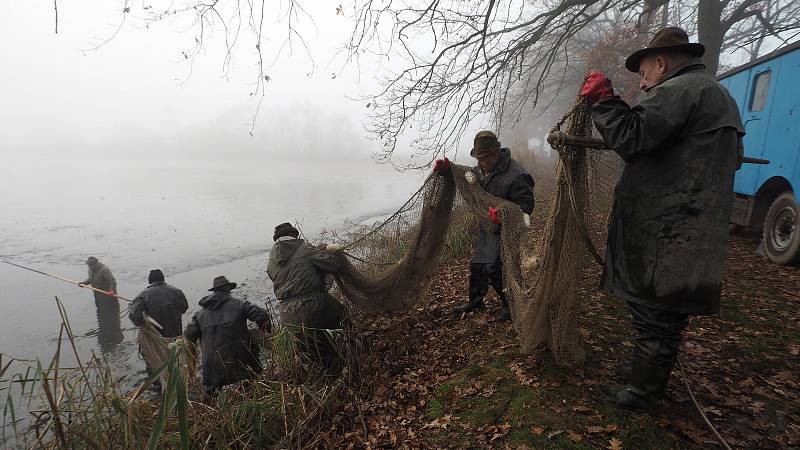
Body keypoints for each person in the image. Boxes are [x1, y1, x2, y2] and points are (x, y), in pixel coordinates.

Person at [580, 27, 745, 409]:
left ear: (661, 61)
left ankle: (642, 393)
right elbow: (731, 158)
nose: (643, 82)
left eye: (643, 73)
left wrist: (605, 100)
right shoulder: (719, 96)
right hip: (694, 225)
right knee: (662, 311)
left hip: (670, 226)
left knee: (657, 312)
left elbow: (632, 138)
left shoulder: (681, 90)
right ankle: (646, 373)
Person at [433, 131, 535, 321]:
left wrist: (504, 214)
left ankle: (510, 304)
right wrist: (448, 169)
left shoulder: (517, 175)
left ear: (495, 155)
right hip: (487, 226)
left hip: (506, 230)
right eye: (477, 158)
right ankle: (476, 300)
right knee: (477, 266)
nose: (478, 163)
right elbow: (467, 176)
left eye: (482, 158)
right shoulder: (482, 169)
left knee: (496, 268)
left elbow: (527, 205)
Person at [267, 222, 345, 366]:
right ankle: (344, 368)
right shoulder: (304, 248)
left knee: (310, 351)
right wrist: (329, 250)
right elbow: (333, 264)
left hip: (286, 314)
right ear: (294, 235)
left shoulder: (271, 261)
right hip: (312, 305)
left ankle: (321, 378)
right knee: (341, 317)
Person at [184, 275, 271, 394]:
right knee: (252, 379)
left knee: (212, 392)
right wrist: (263, 331)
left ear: (214, 292)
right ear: (228, 290)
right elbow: (262, 316)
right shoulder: (240, 305)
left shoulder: (199, 315)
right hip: (242, 365)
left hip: (212, 373)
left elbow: (189, 335)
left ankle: (212, 396)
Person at [129, 269, 189, 390]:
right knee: (175, 355)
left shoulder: (143, 295)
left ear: (150, 281)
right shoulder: (176, 291)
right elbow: (184, 308)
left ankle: (157, 383)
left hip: (156, 337)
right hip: (175, 334)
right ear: (163, 279)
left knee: (153, 356)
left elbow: (133, 316)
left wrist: (144, 317)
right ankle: (179, 379)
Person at [78, 257, 123, 353]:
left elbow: (112, 281)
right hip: (99, 299)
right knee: (102, 317)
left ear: (95, 264)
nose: (89, 267)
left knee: (113, 320)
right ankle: (104, 332)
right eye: (88, 265)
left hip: (110, 300)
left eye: (91, 265)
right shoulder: (90, 270)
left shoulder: (104, 270)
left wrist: (111, 290)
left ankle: (112, 334)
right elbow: (91, 279)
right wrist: (84, 283)